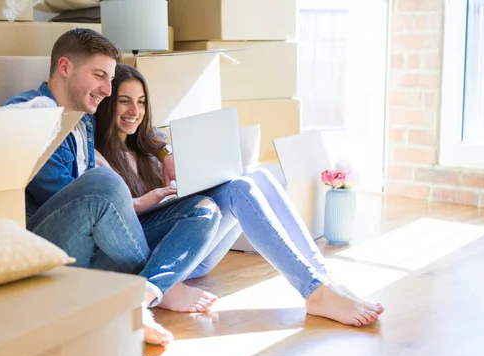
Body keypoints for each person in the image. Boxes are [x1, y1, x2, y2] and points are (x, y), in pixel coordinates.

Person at [95, 64, 385, 328]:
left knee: (259, 176)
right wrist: (152, 199)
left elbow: (155, 137)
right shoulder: (98, 155)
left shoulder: (148, 146)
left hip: (190, 246)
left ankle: (323, 278)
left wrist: (166, 154)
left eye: (141, 102)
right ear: (108, 103)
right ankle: (315, 291)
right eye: (124, 101)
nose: (134, 110)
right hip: (159, 257)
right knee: (239, 190)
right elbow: (115, 224)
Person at [2, 29, 223, 346]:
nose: (107, 89)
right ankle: (160, 288)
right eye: (99, 76)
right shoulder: (28, 112)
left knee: (204, 210)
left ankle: (146, 294)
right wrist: (121, 196)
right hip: (54, 250)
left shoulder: (84, 120)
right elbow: (64, 198)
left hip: (99, 247)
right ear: (65, 67)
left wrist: (140, 195)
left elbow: (142, 143)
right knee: (104, 181)